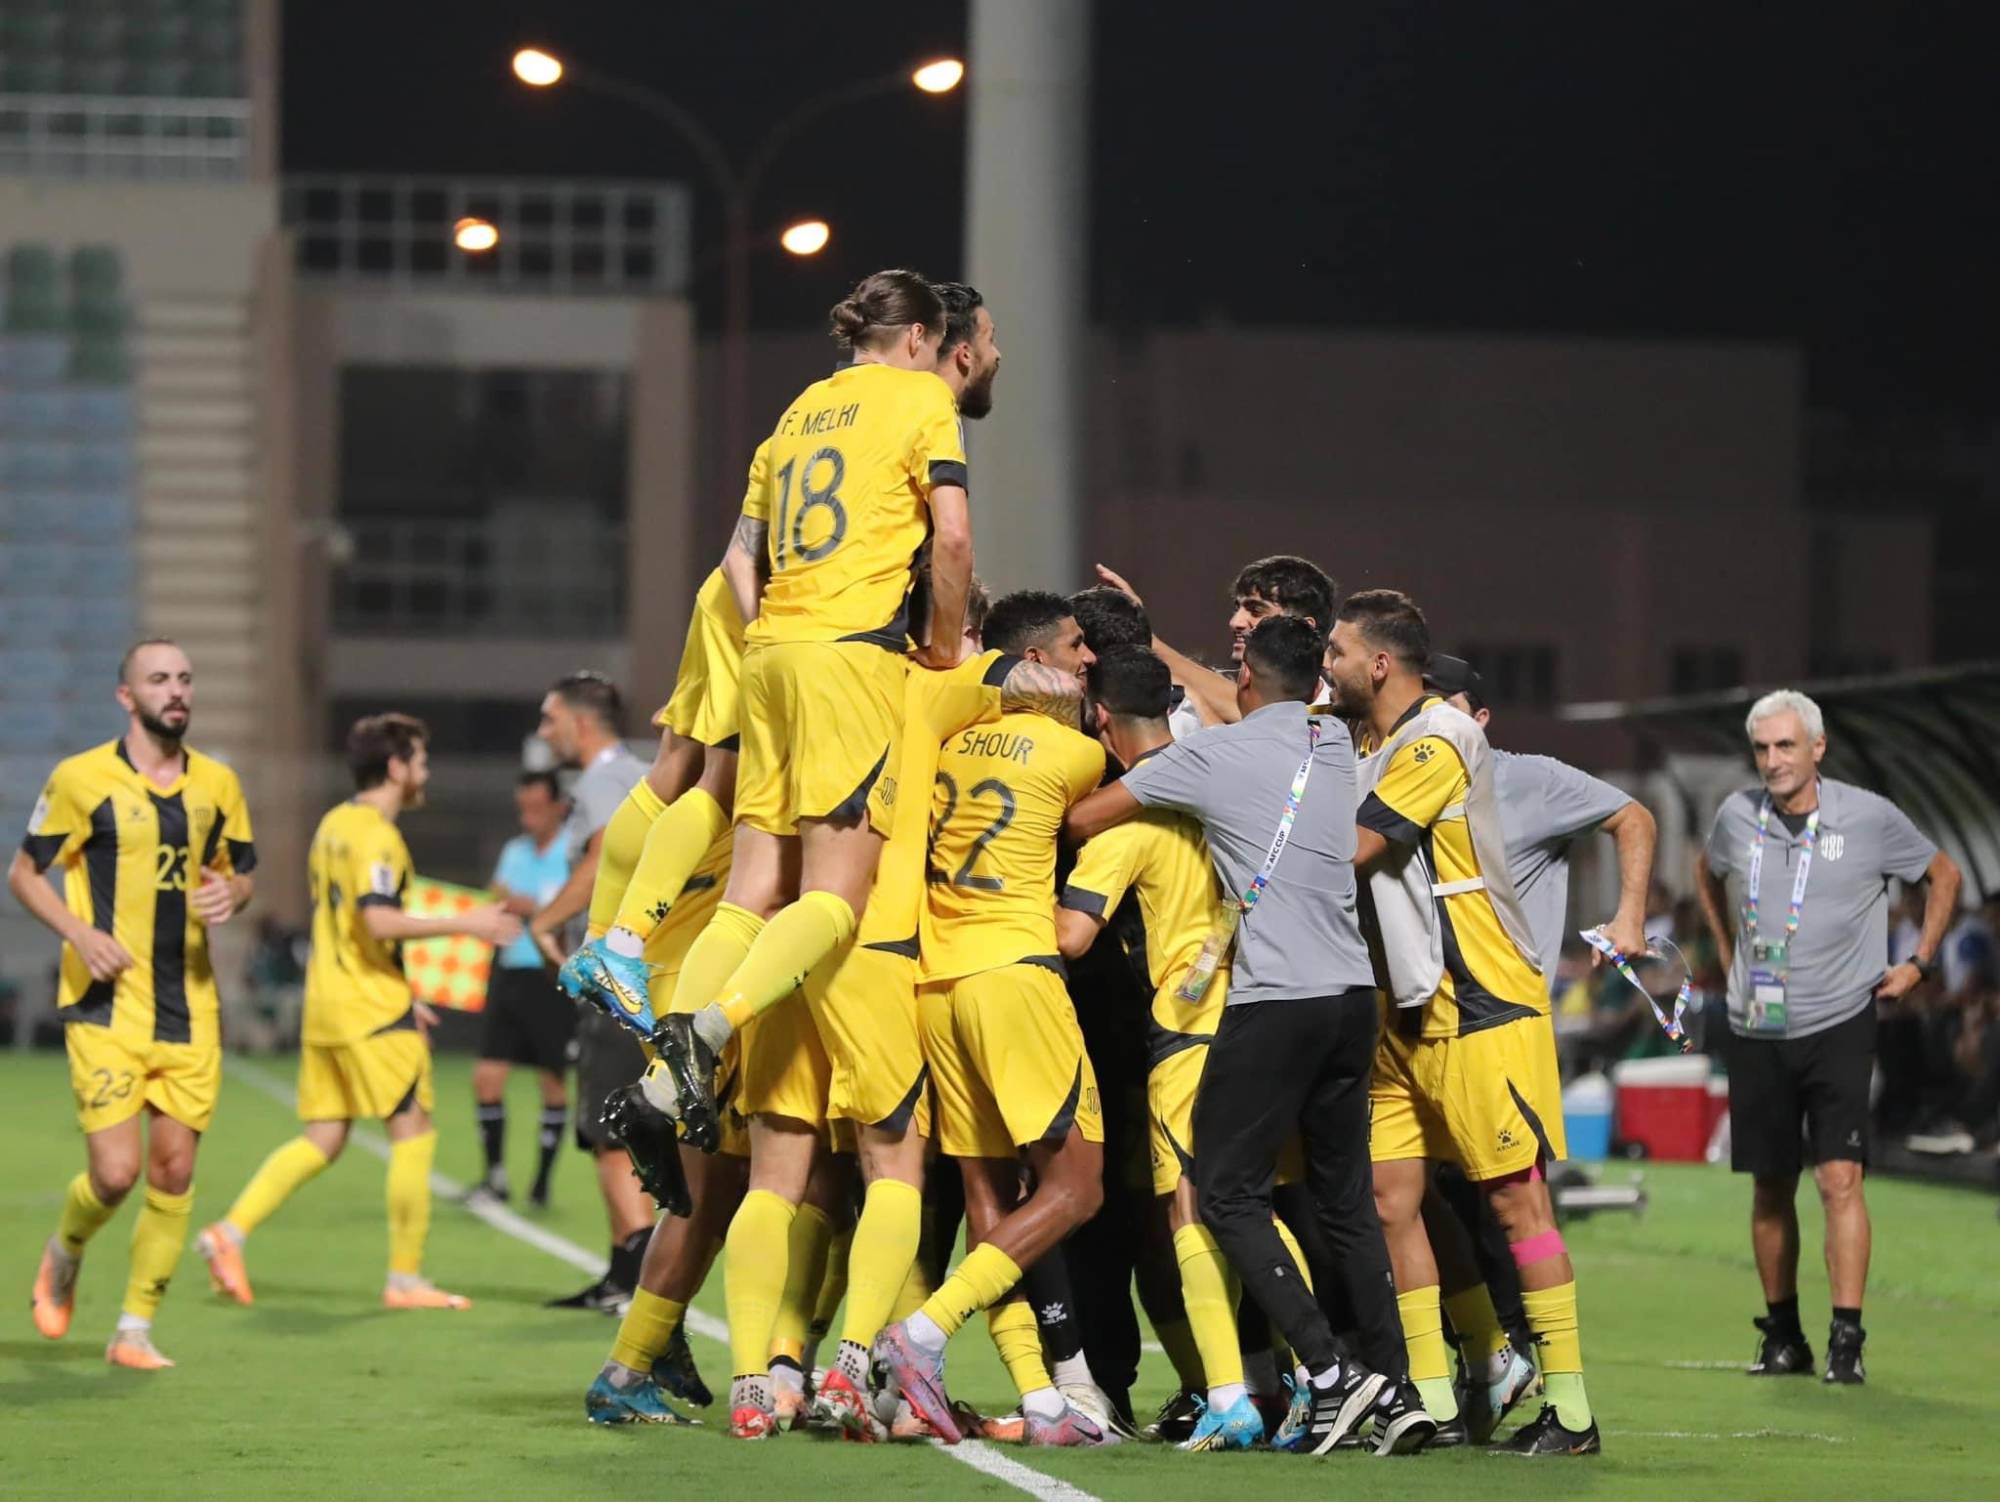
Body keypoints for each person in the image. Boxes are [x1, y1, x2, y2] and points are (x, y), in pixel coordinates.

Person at [1064, 614, 1430, 1457]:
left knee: (1226, 1194)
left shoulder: (1205, 758)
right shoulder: (1331, 745)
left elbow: (1089, 819)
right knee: (1344, 1202)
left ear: (1247, 684)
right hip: (1352, 999)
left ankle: (1331, 1372)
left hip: (1276, 1000)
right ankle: (1396, 1385)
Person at [636, 272, 977, 1161]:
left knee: (754, 887)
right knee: (834, 893)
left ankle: (659, 1078)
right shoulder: (921, 401)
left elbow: (735, 562)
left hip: (771, 658)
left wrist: (772, 638)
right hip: (847, 656)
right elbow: (950, 537)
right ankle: (708, 1033)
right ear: (919, 340)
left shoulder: (795, 415)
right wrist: (942, 643)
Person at [1325, 589, 1597, 1457]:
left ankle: (1574, 1413)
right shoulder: (1370, 738)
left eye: (1335, 654)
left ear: (1378, 665)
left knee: (1522, 1205)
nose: (1324, 669)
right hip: (1400, 1013)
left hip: (1482, 1008)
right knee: (1390, 1202)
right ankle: (1436, 1403)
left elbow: (1359, 846)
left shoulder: (1442, 737)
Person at [870, 591, 1115, 1449]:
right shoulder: (1073, 751)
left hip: (935, 985)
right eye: (1078, 654)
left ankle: (1044, 1402)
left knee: (989, 1196)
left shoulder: (942, 745)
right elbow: (1108, 800)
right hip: (1013, 974)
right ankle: (924, 1334)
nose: (1088, 668)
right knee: (1078, 1186)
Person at [198, 713, 518, 1312]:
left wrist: (406, 990)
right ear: (396, 767)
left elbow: (353, 929)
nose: (425, 773)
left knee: (323, 1136)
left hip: (326, 1004)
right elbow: (376, 919)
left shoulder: (333, 825)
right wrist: (470, 923)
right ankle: (405, 1279)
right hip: (369, 1008)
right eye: (420, 761)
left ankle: (227, 1233)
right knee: (413, 1131)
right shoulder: (376, 834)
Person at [1693, 688, 1960, 1385]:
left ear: (1817, 748)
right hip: (1757, 1024)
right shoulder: (1735, 817)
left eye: (1786, 746)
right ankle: (1784, 1336)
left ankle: (1847, 1338)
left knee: (1840, 1178)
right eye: (1762, 749)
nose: (1773, 761)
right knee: (1770, 1184)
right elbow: (1705, 870)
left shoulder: (1867, 816)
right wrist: (1728, 957)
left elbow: (1943, 873)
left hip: (1841, 1019)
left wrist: (1918, 963)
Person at [1420, 652, 1656, 1417]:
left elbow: (1633, 816)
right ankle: (1485, 1362)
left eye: (1448, 705)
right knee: (1421, 1199)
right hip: (1423, 1023)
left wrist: (1628, 917)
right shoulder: (1403, 775)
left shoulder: (1530, 779)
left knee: (1512, 1204)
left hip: (1501, 1021)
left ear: (1481, 718)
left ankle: (1554, 1385)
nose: (1433, 719)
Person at [18, 640, 256, 1369]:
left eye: (184, 679)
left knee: (174, 1172)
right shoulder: (80, 779)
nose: (175, 691)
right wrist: (80, 931)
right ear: (127, 697)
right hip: (106, 1006)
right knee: (116, 1174)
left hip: (190, 1008)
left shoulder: (218, 784)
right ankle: (66, 1248)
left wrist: (231, 894)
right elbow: (25, 874)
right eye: (159, 680)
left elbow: (241, 869)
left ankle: (133, 1331)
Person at [1056, 645, 1269, 1451]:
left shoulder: (1128, 819)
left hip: (1184, 1037)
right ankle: (1309, 1374)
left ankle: (1239, 1395)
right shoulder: (1224, 784)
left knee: (1185, 1214)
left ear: (1100, 720)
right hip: (1258, 1020)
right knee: (1258, 1212)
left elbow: (1072, 935)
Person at [530, 673, 656, 1313]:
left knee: (610, 1127)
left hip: (613, 975)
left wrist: (547, 918)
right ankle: (619, 1275)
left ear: (581, 723)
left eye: (550, 719)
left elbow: (609, 852)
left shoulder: (607, 779)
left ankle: (634, 1273)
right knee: (613, 1124)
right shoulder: (631, 772)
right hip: (631, 972)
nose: (544, 732)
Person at [472, 770, 573, 1207]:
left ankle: (542, 1183)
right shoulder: (514, 851)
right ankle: (494, 1175)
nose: (528, 817)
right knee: (486, 1077)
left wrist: (527, 905)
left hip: (552, 978)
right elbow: (497, 899)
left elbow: (575, 906)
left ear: (558, 808)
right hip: (511, 973)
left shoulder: (574, 853)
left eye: (536, 807)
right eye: (523, 808)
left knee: (552, 1082)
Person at [1092, 554, 1336, 728]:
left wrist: (1144, 637)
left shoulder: (1337, 714)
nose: (1236, 622)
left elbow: (1249, 711)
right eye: (1238, 607)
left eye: (1256, 610)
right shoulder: (1213, 685)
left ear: (1304, 627)